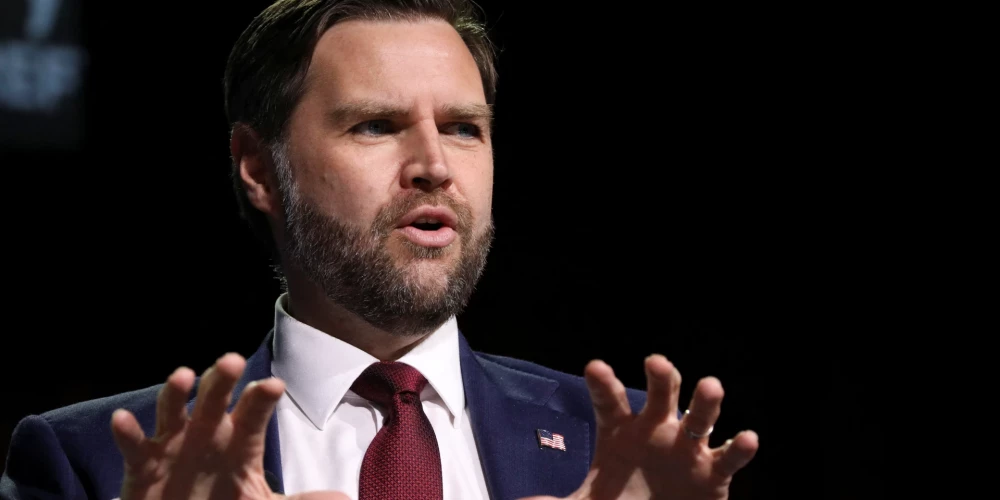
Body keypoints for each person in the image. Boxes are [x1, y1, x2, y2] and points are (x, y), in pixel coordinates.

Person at [0, 1, 758, 498]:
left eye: (464, 127)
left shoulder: (629, 450)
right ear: (259, 169)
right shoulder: (95, 463)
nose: (434, 163)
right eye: (376, 125)